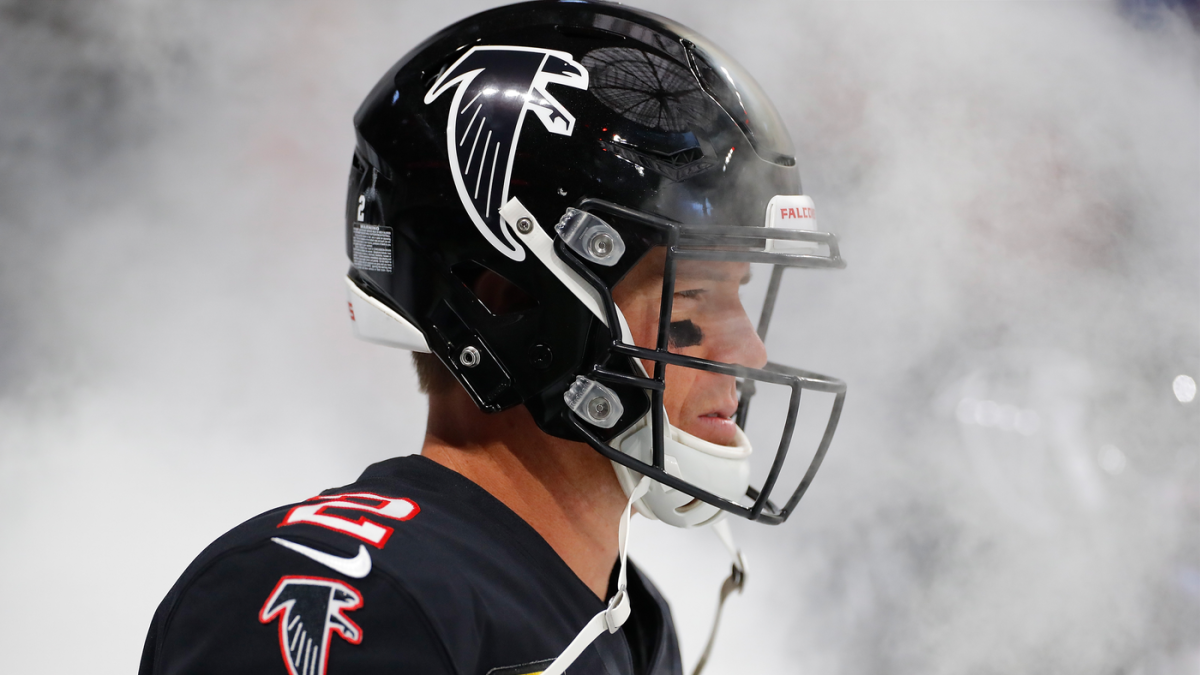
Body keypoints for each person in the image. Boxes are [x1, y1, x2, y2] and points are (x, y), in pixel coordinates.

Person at [138, 2, 847, 674]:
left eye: (740, 298)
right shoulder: (342, 585)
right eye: (695, 298)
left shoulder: (629, 619)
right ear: (506, 303)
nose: (749, 353)